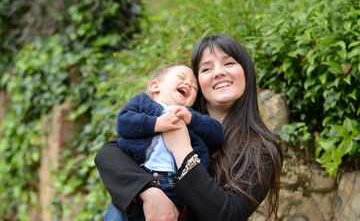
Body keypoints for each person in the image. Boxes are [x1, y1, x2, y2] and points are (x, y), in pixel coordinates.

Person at [95, 34, 283, 221]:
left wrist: (182, 151)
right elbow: (109, 153)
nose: (218, 72)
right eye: (207, 68)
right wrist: (149, 191)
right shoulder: (174, 113)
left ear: (247, 72)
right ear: (199, 81)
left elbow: (227, 215)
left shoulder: (261, 149)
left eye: (229, 63)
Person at [115, 64, 224, 220]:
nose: (188, 84)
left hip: (177, 185)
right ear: (155, 86)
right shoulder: (142, 103)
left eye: (194, 88)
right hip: (142, 178)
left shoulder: (190, 116)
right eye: (181, 78)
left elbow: (217, 134)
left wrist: (192, 119)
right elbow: (124, 123)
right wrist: (156, 124)